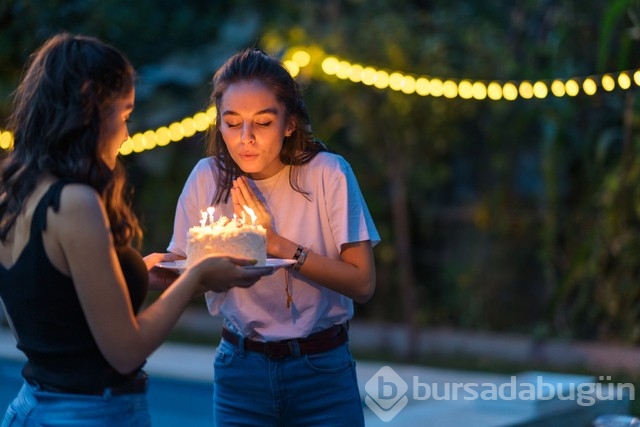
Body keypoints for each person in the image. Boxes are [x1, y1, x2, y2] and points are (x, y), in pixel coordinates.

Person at [0, 34, 270, 427]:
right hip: (88, 412)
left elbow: (45, 298)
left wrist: (135, 274)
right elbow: (125, 351)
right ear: (92, 105)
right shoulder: (74, 202)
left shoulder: (15, 186)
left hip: (33, 404)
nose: (127, 134)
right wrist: (196, 275)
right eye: (124, 115)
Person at [168, 48, 380, 426]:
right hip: (240, 368)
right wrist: (137, 268)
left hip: (321, 370)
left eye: (262, 123)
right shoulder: (207, 178)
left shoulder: (327, 175)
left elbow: (362, 283)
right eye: (232, 123)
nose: (245, 138)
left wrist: (275, 243)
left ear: (289, 123)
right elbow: (179, 263)